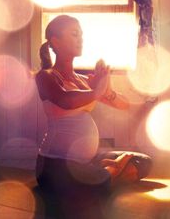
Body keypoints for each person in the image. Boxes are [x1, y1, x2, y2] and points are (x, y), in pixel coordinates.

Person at [35, 15, 152, 219]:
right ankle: (110, 173)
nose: (81, 39)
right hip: (55, 164)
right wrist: (97, 90)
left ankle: (107, 173)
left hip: (86, 162)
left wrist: (109, 89)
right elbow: (65, 100)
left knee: (144, 162)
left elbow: (123, 105)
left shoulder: (82, 80)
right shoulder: (46, 76)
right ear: (55, 41)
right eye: (74, 34)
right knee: (96, 184)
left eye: (81, 35)